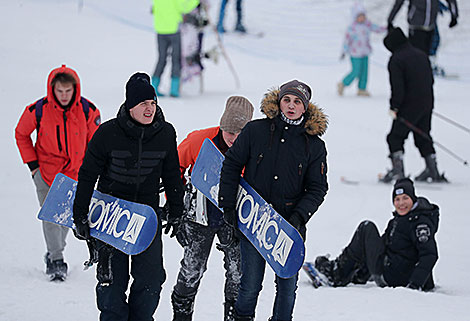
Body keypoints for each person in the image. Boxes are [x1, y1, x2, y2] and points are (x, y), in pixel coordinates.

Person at [72, 72, 184, 321]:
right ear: (130, 106)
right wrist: (79, 214)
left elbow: (172, 175)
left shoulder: (165, 133)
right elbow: (87, 174)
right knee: (111, 283)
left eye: (153, 103)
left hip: (146, 218)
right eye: (143, 104)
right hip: (111, 218)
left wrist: (176, 209)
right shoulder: (107, 133)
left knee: (152, 279)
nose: (149, 109)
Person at [218, 80, 329, 321]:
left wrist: (299, 217)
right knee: (249, 286)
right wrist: (227, 204)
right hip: (254, 220)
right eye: (287, 99)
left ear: (305, 108)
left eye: (297, 102)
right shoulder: (255, 130)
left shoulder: (315, 146)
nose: (291, 105)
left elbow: (318, 188)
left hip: (290, 227)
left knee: (287, 290)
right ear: (278, 102)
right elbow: (232, 165)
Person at [15, 64, 101, 280]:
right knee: (52, 217)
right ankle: (56, 259)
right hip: (46, 174)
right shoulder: (38, 110)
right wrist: (33, 167)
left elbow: (97, 143)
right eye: (59, 91)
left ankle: (56, 248)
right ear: (52, 89)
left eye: (68, 91)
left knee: (67, 219)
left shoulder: (88, 111)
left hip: (76, 177)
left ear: (75, 89)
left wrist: (93, 170)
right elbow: (21, 134)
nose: (63, 96)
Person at [171, 96, 254, 321]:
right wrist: (175, 204)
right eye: (229, 132)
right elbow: (173, 165)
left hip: (235, 218)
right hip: (200, 216)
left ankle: (233, 316)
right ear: (221, 126)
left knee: (238, 274)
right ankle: (181, 315)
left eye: (240, 134)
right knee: (191, 270)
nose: (234, 139)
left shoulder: (254, 147)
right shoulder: (200, 140)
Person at [314, 178, 439, 292]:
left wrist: (415, 284)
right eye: (397, 199)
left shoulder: (420, 223)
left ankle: (337, 274)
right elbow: (383, 244)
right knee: (370, 238)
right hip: (393, 271)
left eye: (405, 198)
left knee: (366, 228)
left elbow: (429, 254)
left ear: (413, 198)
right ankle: (359, 272)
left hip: (395, 277)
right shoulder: (399, 219)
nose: (401, 203)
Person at [380, 27, 447, 183]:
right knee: (423, 135)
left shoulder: (397, 60)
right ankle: (432, 170)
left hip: (407, 106)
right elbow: (430, 80)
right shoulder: (421, 54)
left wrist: (394, 107)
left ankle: (398, 172)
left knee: (395, 138)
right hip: (427, 103)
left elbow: (397, 88)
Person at [151, 0, 200, 97]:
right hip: (174, 29)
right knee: (176, 58)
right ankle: (174, 89)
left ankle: (153, 87)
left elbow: (154, 10)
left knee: (161, 59)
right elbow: (185, 8)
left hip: (160, 29)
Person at [337, 2, 386, 97]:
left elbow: (377, 28)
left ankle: (362, 89)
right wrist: (344, 51)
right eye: (359, 16)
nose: (362, 18)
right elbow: (346, 40)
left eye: (363, 15)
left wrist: (387, 28)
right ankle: (343, 83)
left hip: (365, 52)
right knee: (356, 71)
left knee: (364, 72)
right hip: (355, 53)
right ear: (355, 16)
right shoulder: (352, 28)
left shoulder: (367, 24)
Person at [387, 0, 458, 55]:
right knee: (415, 55)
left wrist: (454, 16)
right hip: (416, 27)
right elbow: (399, 2)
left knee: (426, 55)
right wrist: (390, 20)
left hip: (430, 27)